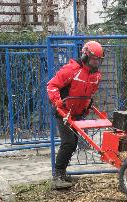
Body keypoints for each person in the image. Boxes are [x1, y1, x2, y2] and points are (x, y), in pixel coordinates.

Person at [47, 41, 104, 189]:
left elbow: (90, 92)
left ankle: (62, 173)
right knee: (68, 143)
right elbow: (52, 85)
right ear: (85, 55)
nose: (96, 62)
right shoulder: (71, 70)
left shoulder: (96, 75)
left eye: (98, 60)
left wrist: (87, 105)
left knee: (73, 144)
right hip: (64, 112)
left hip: (78, 113)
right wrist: (57, 101)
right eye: (93, 59)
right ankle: (57, 176)